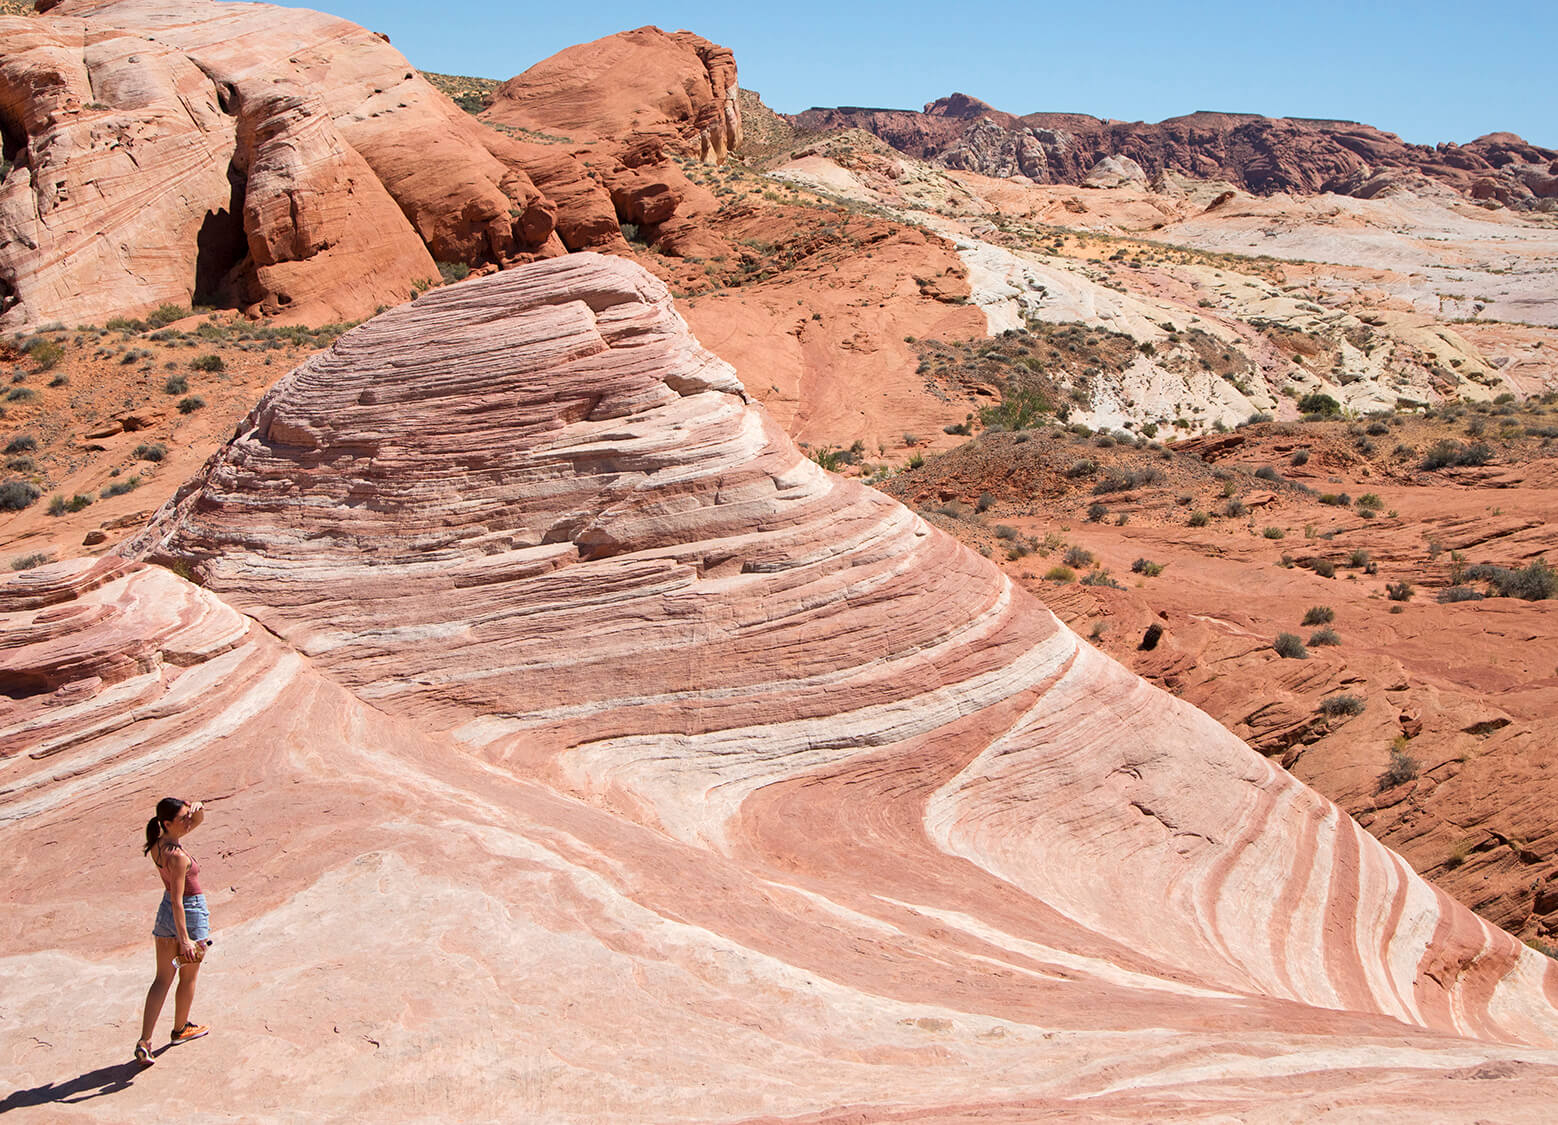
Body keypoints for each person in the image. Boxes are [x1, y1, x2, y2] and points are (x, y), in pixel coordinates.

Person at [135, 797, 211, 1065]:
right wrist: (186, 940)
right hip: (187, 914)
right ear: (168, 823)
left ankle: (145, 1041)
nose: (188, 822)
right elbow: (180, 901)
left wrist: (196, 810)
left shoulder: (158, 845)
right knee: (187, 977)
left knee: (161, 979)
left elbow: (195, 822)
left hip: (163, 914)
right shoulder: (178, 857)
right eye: (183, 818)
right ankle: (181, 1029)